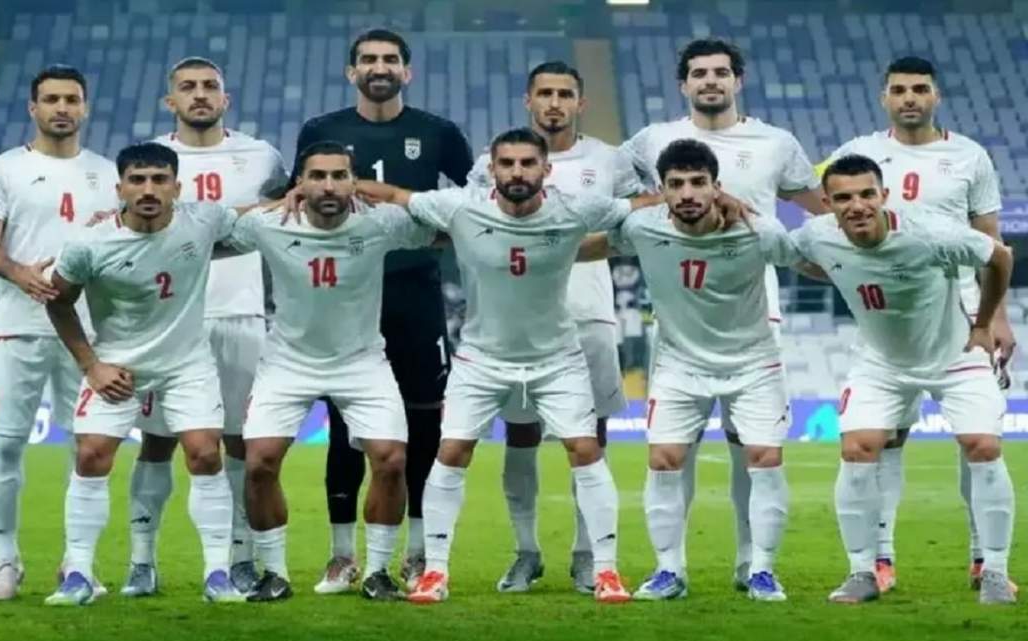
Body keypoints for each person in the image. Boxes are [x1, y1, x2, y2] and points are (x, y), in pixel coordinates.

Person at [355, 127, 686, 605]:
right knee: (451, 452)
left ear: (546, 170)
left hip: (557, 359)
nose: (517, 172)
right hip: (481, 359)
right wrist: (331, 186)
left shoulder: (575, 208)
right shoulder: (460, 206)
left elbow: (640, 206)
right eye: (507, 164)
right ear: (491, 169)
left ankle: (607, 571)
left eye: (527, 163)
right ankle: (435, 572)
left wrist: (706, 199)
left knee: (585, 449)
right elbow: (394, 195)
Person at [618, 37, 827, 590]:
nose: (710, 81)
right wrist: (658, 202)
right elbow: (611, 196)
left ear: (738, 80)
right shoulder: (651, 141)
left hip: (755, 312)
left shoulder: (775, 143)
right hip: (680, 314)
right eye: (699, 73)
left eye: (720, 72)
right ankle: (671, 567)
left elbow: (823, 210)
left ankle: (752, 565)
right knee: (673, 453)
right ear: (683, 84)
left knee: (750, 451)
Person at [579, 139, 818, 601]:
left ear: (716, 186)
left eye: (697, 182)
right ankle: (669, 571)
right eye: (676, 184)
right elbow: (593, 243)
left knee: (764, 459)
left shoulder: (757, 230)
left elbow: (807, 261)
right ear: (663, 190)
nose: (687, 193)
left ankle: (762, 570)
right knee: (664, 460)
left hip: (753, 363)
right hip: (678, 364)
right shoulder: (643, 226)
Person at [820, 56, 1017, 594]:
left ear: (936, 96)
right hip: (888, 315)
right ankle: (878, 560)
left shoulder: (969, 156)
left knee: (976, 440)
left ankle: (984, 559)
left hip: (959, 310)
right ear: (884, 97)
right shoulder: (857, 153)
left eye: (920, 89)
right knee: (883, 439)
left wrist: (995, 317)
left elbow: (990, 240)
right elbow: (829, 230)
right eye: (900, 89)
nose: (910, 98)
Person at [293, 28, 474, 593]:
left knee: (424, 424)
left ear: (406, 71)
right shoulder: (320, 132)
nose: (380, 67)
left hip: (415, 293)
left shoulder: (438, 132)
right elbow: (297, 201)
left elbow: (474, 205)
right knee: (344, 424)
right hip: (345, 298)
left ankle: (418, 553)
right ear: (352, 72)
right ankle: (342, 555)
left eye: (390, 59)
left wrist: (437, 237)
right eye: (368, 60)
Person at [42, 142, 255, 606]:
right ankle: (77, 573)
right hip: (117, 367)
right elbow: (58, 302)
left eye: (160, 180)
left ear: (177, 187)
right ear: (119, 188)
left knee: (205, 454)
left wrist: (296, 197)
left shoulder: (203, 220)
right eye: (137, 180)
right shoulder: (89, 243)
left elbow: (255, 217)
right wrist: (91, 366)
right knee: (91, 455)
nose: (148, 189)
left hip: (186, 365)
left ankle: (217, 574)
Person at [228, 142, 438, 602]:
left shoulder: (380, 222)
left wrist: (391, 194)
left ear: (353, 181)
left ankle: (378, 572)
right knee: (259, 463)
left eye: (339, 176)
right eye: (317, 176)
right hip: (287, 362)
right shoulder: (269, 223)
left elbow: (448, 224)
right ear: (299, 184)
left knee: (391, 461)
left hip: (361, 362)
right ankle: (274, 573)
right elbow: (205, 225)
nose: (328, 185)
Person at [466, 61, 643, 594]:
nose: (554, 103)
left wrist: (574, 248)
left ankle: (588, 555)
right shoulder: (493, 163)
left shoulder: (610, 160)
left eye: (565, 93)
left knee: (590, 439)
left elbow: (636, 219)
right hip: (514, 321)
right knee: (520, 435)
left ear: (580, 103)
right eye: (544, 93)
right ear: (528, 100)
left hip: (588, 315)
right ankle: (526, 551)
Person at [122, 56, 287, 598]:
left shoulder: (262, 156)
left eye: (210, 86)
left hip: (241, 315)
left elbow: (281, 218)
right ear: (170, 100)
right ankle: (142, 561)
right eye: (187, 87)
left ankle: (239, 559)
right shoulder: (151, 158)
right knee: (156, 442)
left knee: (239, 444)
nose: (199, 95)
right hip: (167, 321)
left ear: (225, 98)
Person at [0, 64, 119, 601]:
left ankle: (78, 564)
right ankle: (5, 562)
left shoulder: (108, 173)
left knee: (90, 446)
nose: (62, 108)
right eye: (51, 99)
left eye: (71, 99)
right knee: (7, 442)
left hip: (88, 334)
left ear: (85, 107)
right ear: (33, 107)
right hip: (19, 327)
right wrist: (19, 273)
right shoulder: (2, 170)